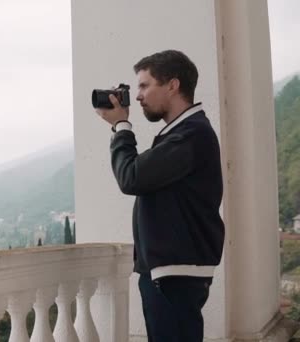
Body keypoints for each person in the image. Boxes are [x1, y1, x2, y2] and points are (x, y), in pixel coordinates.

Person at [94, 50, 225, 341]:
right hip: (173, 270)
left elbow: (131, 177)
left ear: (172, 85)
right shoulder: (183, 133)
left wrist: (121, 127)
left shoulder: (190, 135)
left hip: (174, 273)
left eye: (144, 85)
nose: (138, 96)